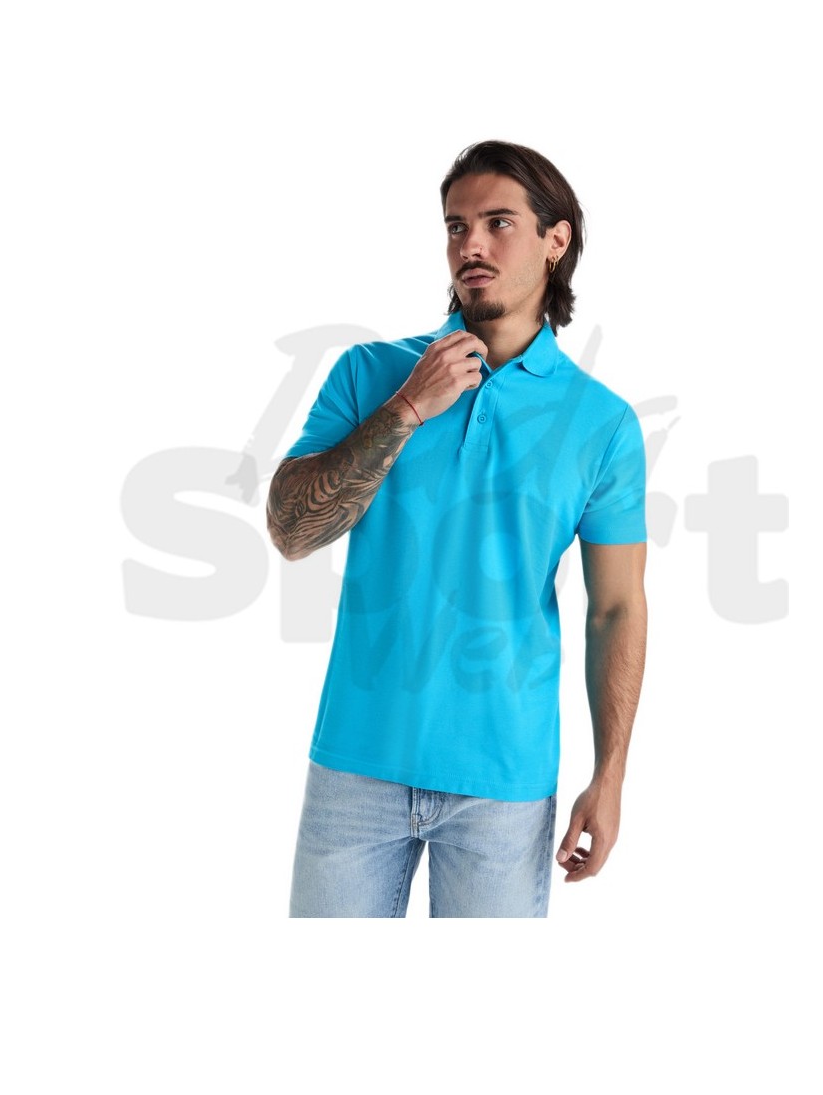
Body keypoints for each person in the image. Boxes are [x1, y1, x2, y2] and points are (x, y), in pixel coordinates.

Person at [267, 140, 648, 918]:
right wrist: (409, 407)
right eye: (455, 226)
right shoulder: (370, 373)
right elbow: (292, 531)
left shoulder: (602, 424)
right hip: (355, 766)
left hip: (504, 785)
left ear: (556, 239)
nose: (470, 244)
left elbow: (616, 609)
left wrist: (609, 778)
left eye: (498, 223)